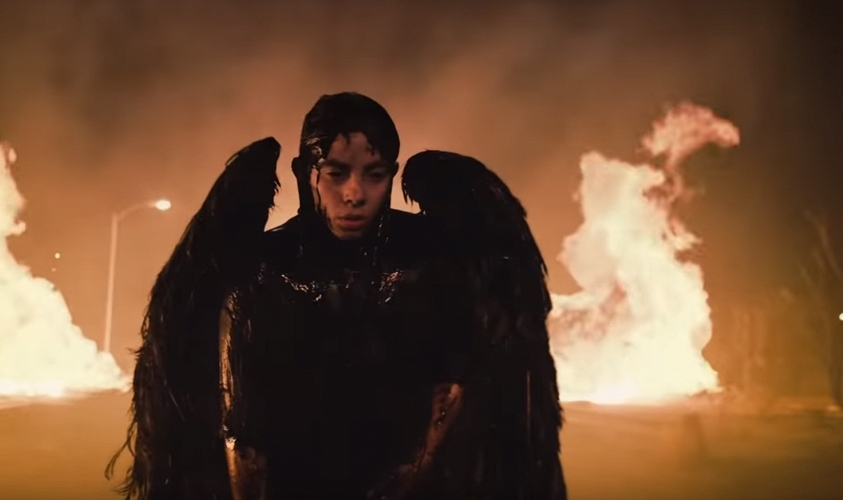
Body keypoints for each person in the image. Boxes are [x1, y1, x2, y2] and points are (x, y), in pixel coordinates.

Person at [107, 92, 566, 500]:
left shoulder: (431, 261)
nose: (354, 194)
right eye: (336, 173)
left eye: (374, 174)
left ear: (392, 175)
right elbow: (241, 430)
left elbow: (456, 384)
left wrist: (415, 472)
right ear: (303, 173)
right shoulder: (264, 271)